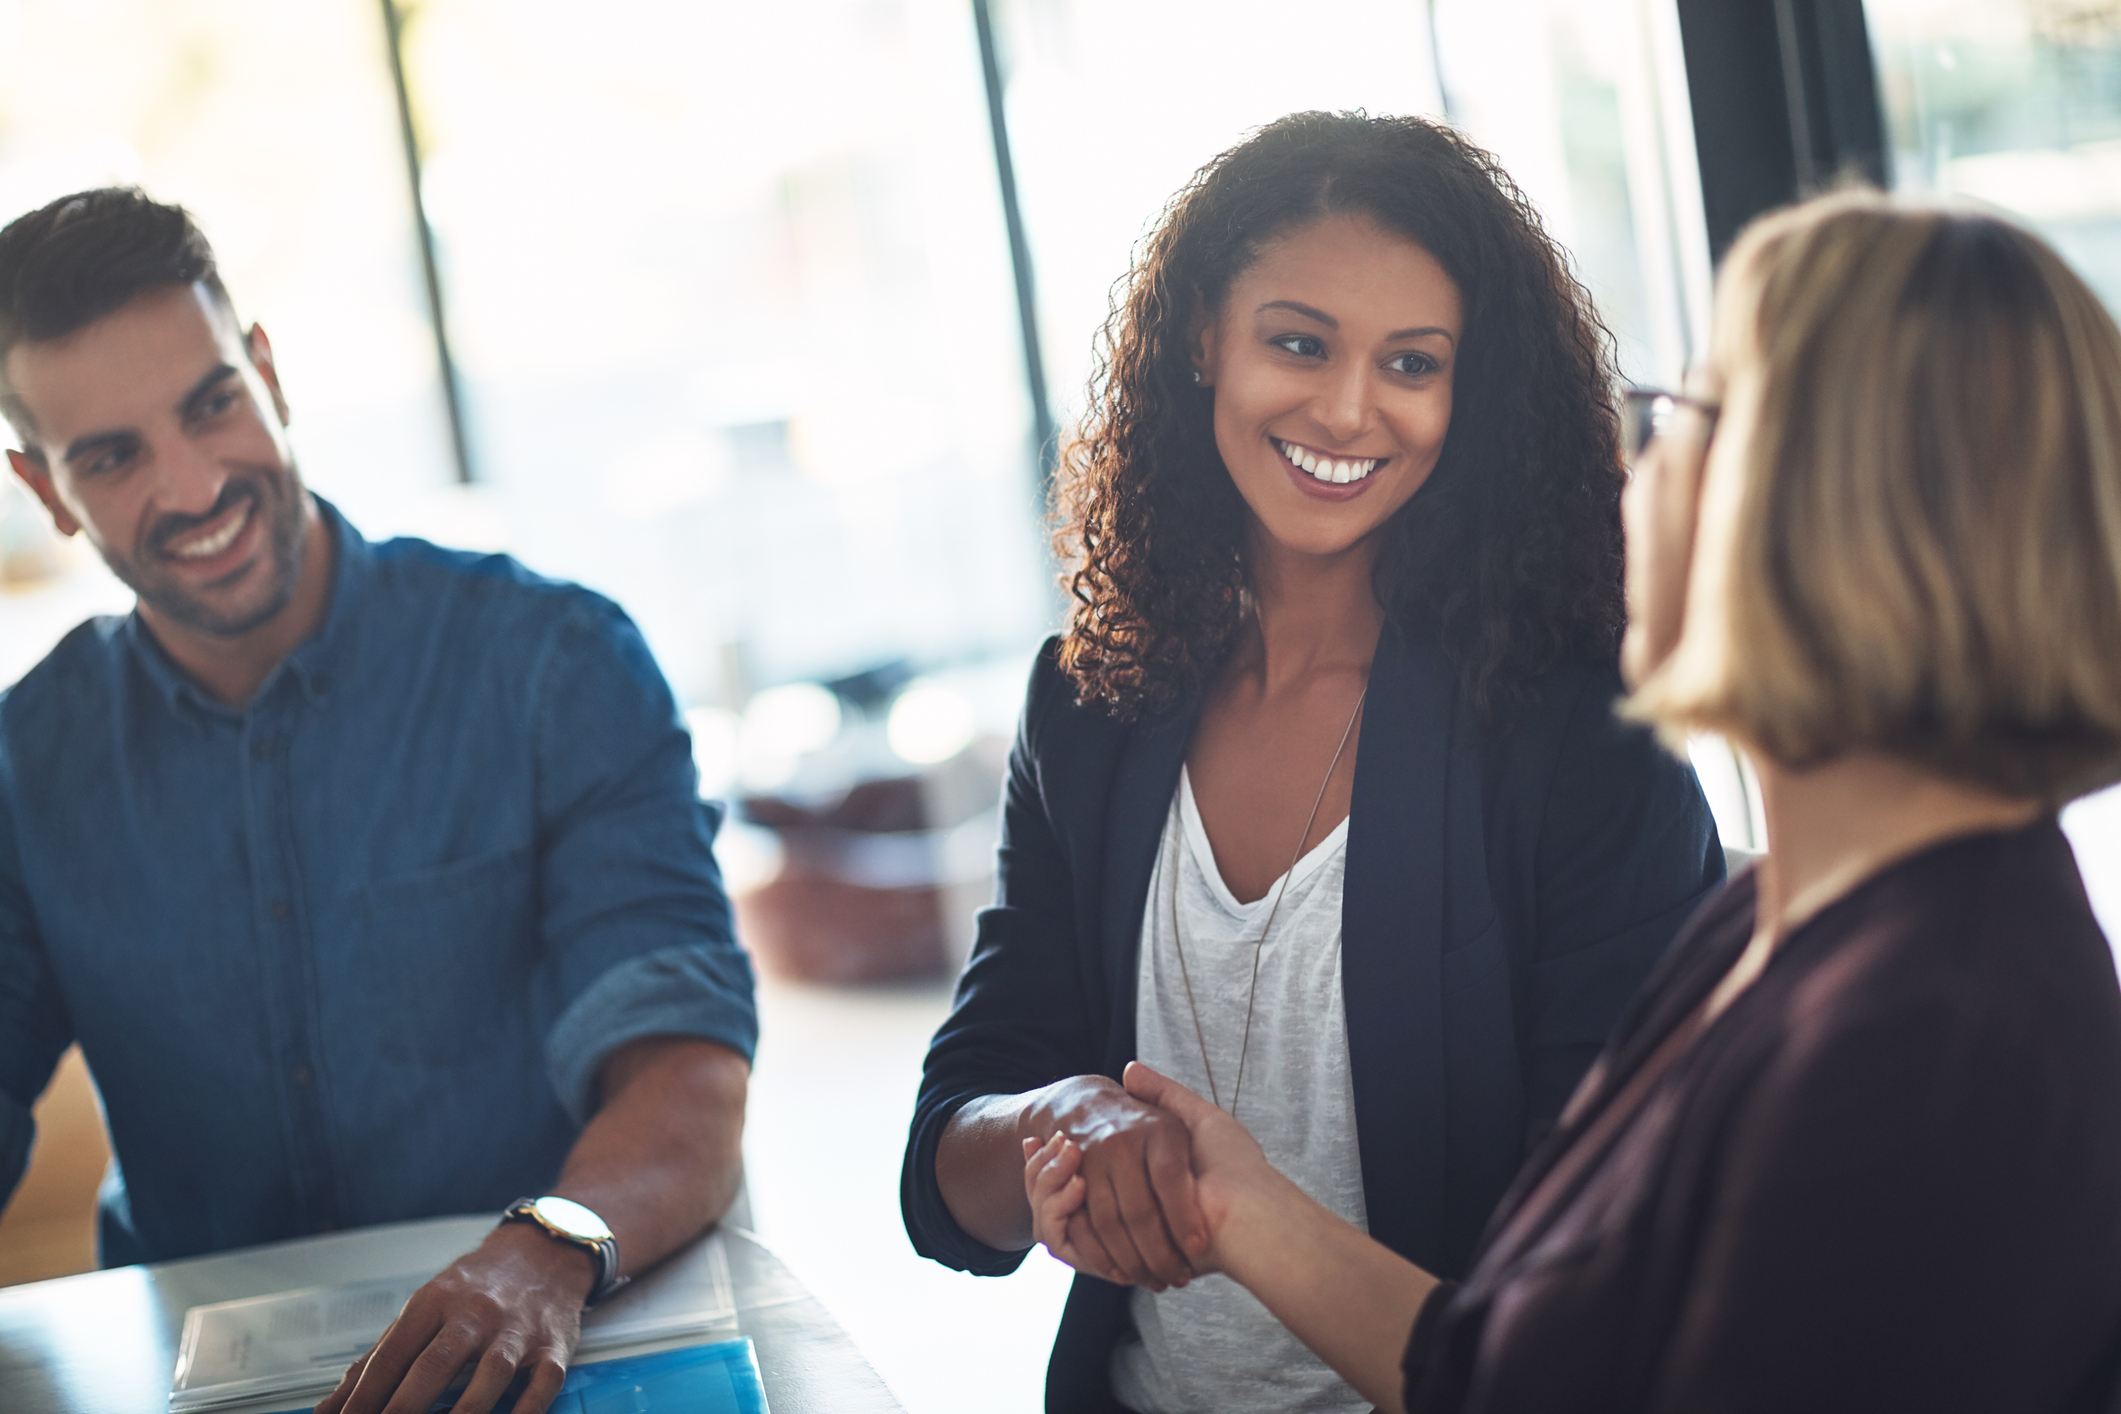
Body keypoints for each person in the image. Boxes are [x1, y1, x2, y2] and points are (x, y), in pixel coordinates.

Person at [1030, 189, 2121, 1413]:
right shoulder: (1786, 929)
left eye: (1678, 422)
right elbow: (1525, 1366)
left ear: (1828, 511)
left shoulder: (1933, 1031)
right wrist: (1235, 1203)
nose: (1626, 475)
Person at [903, 111, 1724, 1413]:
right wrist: (1058, 1118)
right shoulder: (1087, 703)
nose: (1347, 407)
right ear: (1199, 341)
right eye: (1299, 342)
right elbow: (948, 1167)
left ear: (1471, 393)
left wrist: (1238, 1203)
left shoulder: (1578, 746)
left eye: (1412, 361)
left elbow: (1604, 1289)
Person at [0, 188, 757, 1414]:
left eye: (211, 405)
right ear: (45, 489)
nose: (194, 488)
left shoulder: (553, 665)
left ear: (266, 372)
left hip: (558, 1338)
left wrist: (544, 1247)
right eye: (115, 455)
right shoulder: (26, 765)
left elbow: (686, 1070)